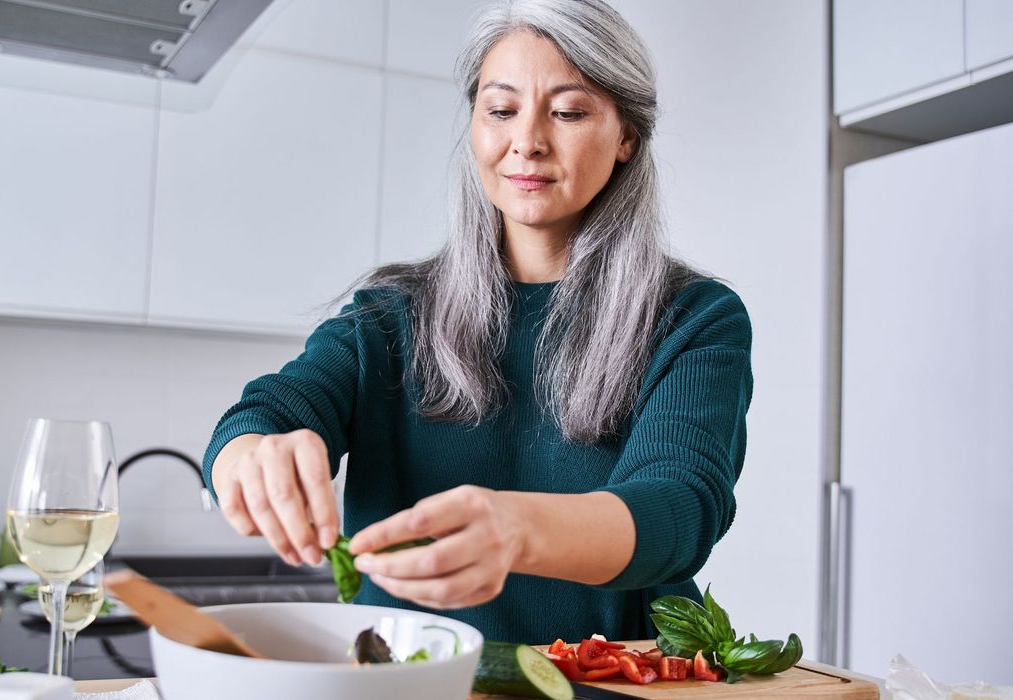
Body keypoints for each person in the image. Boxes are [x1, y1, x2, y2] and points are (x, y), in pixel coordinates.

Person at [202, 0, 752, 644]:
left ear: (627, 135)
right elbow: (265, 412)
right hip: (403, 686)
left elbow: (680, 509)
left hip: (608, 684)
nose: (528, 141)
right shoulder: (390, 315)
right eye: (500, 110)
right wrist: (250, 456)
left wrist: (516, 529)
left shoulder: (693, 317)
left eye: (569, 111)